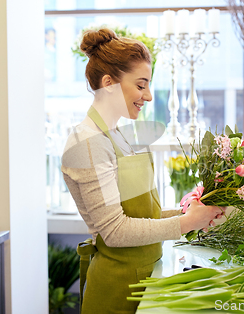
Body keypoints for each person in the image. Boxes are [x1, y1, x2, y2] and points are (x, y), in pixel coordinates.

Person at [61, 28, 225, 314]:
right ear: (109, 83)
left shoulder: (118, 134)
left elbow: (139, 217)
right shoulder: (88, 142)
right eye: (140, 85)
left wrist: (194, 214)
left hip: (144, 276)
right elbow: (115, 231)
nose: (148, 96)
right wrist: (186, 223)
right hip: (117, 289)